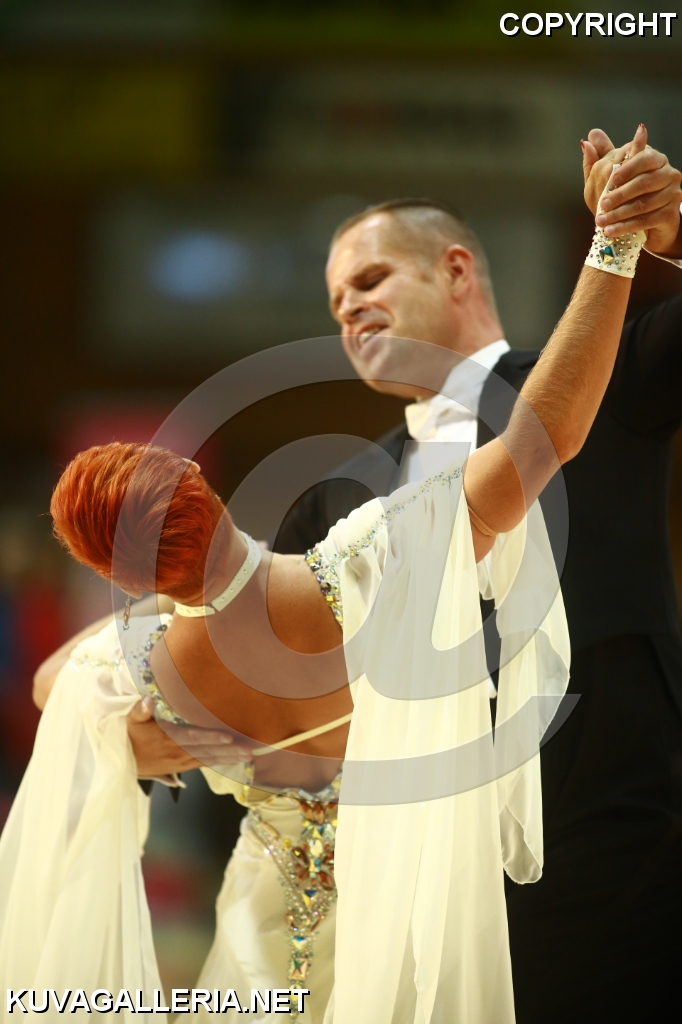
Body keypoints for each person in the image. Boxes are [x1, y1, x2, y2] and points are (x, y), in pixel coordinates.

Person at [2, 131, 646, 1023]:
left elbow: (55, 684)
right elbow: (546, 439)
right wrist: (614, 243)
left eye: (368, 283)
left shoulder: (152, 664)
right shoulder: (359, 551)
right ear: (202, 490)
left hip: (265, 940)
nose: (349, 313)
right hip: (401, 909)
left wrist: (131, 730)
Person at [274, 129, 682, 1023]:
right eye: (336, 303)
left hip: (620, 832)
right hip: (422, 858)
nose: (349, 311)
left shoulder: (602, 372)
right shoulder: (336, 498)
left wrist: (670, 233)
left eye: (370, 280)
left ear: (455, 269)